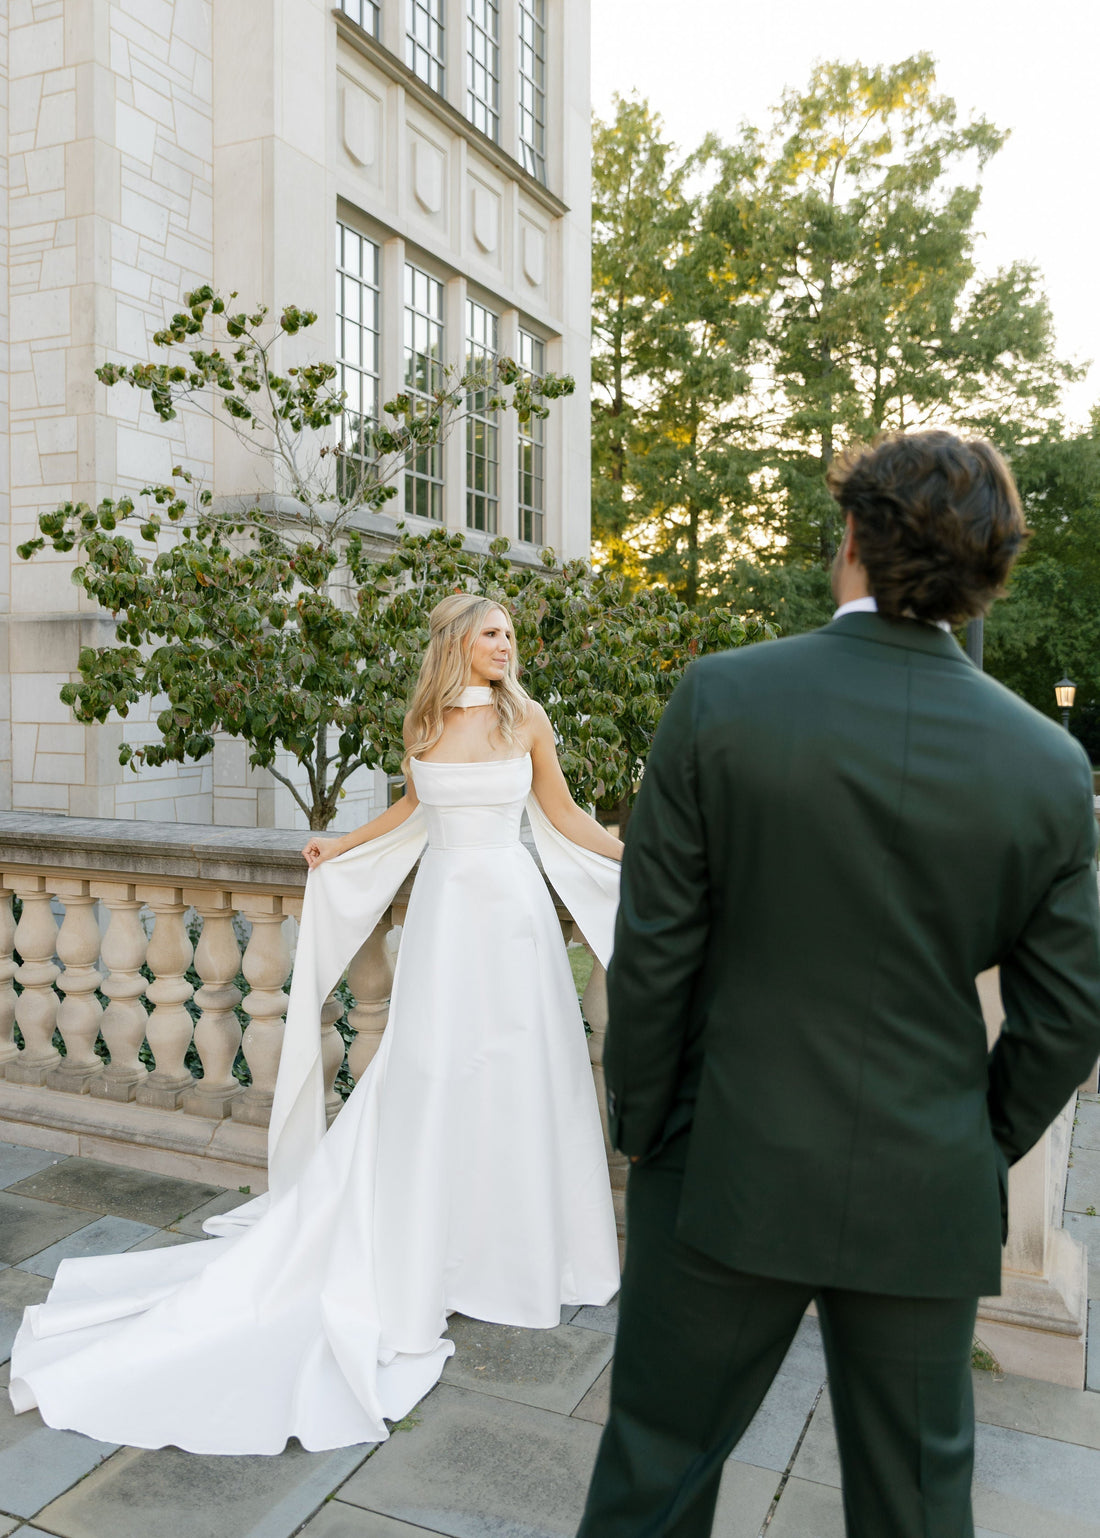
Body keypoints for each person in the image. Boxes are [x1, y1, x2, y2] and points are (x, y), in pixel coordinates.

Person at [578, 431, 1100, 1538]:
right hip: (923, 1176)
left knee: (654, 1472)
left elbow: (655, 950)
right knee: (916, 1506)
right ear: (988, 573)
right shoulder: (1047, 765)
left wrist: (645, 1125)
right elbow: (1065, 1016)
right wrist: (968, 1140)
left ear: (851, 536)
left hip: (722, 1155)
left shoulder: (721, 699)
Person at [10, 594, 622, 1454]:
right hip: (447, 915)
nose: (506, 646)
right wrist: (339, 846)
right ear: (456, 643)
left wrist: (638, 855)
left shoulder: (529, 719)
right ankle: (436, 1239)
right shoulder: (422, 723)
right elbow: (412, 815)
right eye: (492, 634)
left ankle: (520, 1251)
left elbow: (562, 818)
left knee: (523, 1074)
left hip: (515, 915)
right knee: (436, 1072)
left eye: (512, 635)